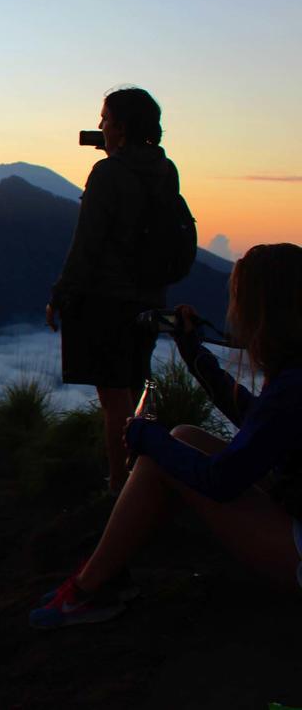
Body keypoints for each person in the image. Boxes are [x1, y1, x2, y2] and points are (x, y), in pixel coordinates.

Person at [31, 243, 302, 628]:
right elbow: (259, 420)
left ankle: (88, 590)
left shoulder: (294, 385)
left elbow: (221, 480)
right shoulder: (295, 377)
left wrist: (148, 439)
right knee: (185, 434)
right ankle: (106, 576)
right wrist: (193, 353)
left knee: (163, 457)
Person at [46, 87, 180, 494]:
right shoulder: (165, 169)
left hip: (106, 298)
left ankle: (120, 486)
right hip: (150, 296)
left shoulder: (107, 174)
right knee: (139, 386)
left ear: (120, 127)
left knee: (113, 397)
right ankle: (147, 474)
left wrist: (62, 295)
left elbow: (87, 243)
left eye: (104, 119)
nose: (99, 126)